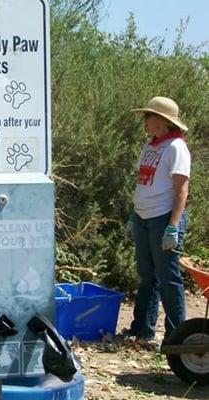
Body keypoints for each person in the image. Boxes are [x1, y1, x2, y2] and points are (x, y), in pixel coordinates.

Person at [124, 96, 190, 344]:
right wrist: (134, 214)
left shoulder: (176, 147)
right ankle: (142, 329)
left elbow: (181, 189)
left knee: (168, 278)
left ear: (161, 120)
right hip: (143, 217)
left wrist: (173, 227)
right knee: (146, 275)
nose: (144, 121)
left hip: (163, 219)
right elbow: (144, 181)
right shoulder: (151, 145)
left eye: (148, 116)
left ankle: (177, 338)